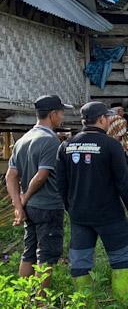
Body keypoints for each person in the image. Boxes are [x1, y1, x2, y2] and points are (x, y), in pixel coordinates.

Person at [56, 102, 128, 302]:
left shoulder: (66, 146)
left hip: (80, 216)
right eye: (107, 117)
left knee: (80, 261)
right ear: (101, 119)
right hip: (110, 215)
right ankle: (121, 303)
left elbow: (61, 184)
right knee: (120, 259)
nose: (109, 120)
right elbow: (123, 183)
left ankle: (85, 304)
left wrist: (71, 208)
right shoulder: (112, 146)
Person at [5, 95, 70, 292]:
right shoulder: (50, 140)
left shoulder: (23, 140)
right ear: (52, 114)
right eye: (61, 113)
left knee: (29, 253)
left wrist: (19, 205)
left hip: (30, 208)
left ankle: (24, 298)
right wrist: (23, 198)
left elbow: (10, 176)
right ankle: (41, 301)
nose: (62, 118)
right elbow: (42, 175)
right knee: (47, 256)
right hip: (48, 206)